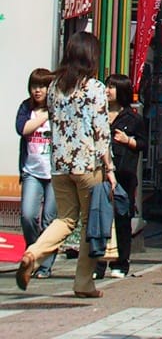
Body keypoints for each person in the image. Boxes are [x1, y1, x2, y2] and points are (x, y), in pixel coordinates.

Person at [16, 32, 116, 298]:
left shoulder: (54, 88)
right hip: (87, 165)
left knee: (65, 218)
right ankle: (84, 282)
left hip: (59, 165)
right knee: (88, 222)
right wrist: (109, 168)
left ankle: (33, 253)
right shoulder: (94, 87)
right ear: (90, 56)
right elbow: (101, 132)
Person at [100, 73, 147, 278]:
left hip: (124, 173)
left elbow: (142, 144)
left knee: (122, 216)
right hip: (99, 173)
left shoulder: (133, 118)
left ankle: (121, 262)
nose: (108, 90)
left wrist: (128, 140)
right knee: (99, 217)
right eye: (107, 86)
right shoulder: (98, 114)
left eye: (113, 87)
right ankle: (98, 264)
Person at [15, 68, 57, 279]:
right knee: (28, 216)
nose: (37, 90)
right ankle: (32, 255)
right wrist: (42, 118)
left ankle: (44, 266)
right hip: (31, 171)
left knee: (50, 220)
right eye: (34, 86)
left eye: (42, 86)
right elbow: (22, 128)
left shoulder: (58, 108)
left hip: (55, 174)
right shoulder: (26, 107)